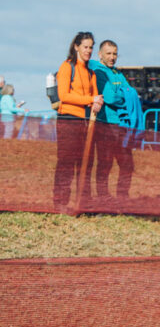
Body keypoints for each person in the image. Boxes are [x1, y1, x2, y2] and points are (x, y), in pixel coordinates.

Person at [53, 31, 103, 207]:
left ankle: (83, 202)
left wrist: (98, 102)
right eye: (85, 47)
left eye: (91, 47)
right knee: (66, 162)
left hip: (85, 123)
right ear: (76, 46)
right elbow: (64, 95)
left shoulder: (91, 73)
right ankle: (60, 201)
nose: (88, 50)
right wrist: (90, 100)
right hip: (68, 119)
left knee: (85, 163)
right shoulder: (67, 67)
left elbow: (96, 96)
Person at [88, 40, 140, 198]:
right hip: (106, 125)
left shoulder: (117, 73)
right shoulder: (98, 71)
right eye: (108, 53)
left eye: (115, 53)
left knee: (127, 164)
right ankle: (103, 196)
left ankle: (122, 196)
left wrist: (126, 94)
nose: (112, 57)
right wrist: (126, 96)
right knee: (105, 162)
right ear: (100, 54)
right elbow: (110, 97)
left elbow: (130, 91)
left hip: (122, 124)